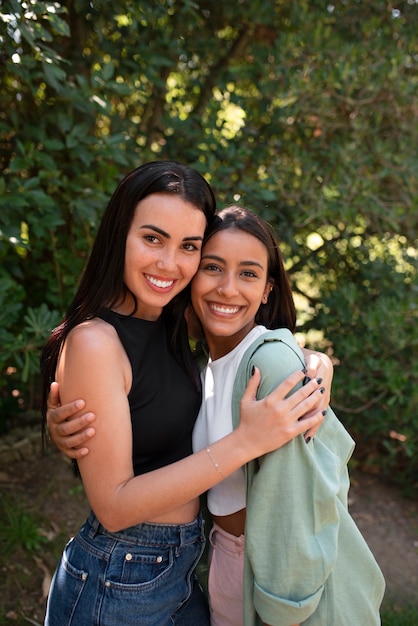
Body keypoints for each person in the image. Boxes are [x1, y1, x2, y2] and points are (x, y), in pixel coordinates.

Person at [40, 162, 328, 626]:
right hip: (118, 579)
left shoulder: (172, 317)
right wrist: (244, 444)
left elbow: (239, 325)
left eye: (189, 247)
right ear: (120, 235)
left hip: (178, 570)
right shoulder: (95, 342)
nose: (169, 263)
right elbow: (113, 507)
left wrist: (315, 363)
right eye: (152, 238)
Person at [189, 206, 385, 625]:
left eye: (248, 273)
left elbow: (300, 498)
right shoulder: (203, 363)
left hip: (279, 581)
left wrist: (284, 605)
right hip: (227, 560)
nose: (227, 288)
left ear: (266, 290)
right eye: (212, 267)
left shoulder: (271, 366)